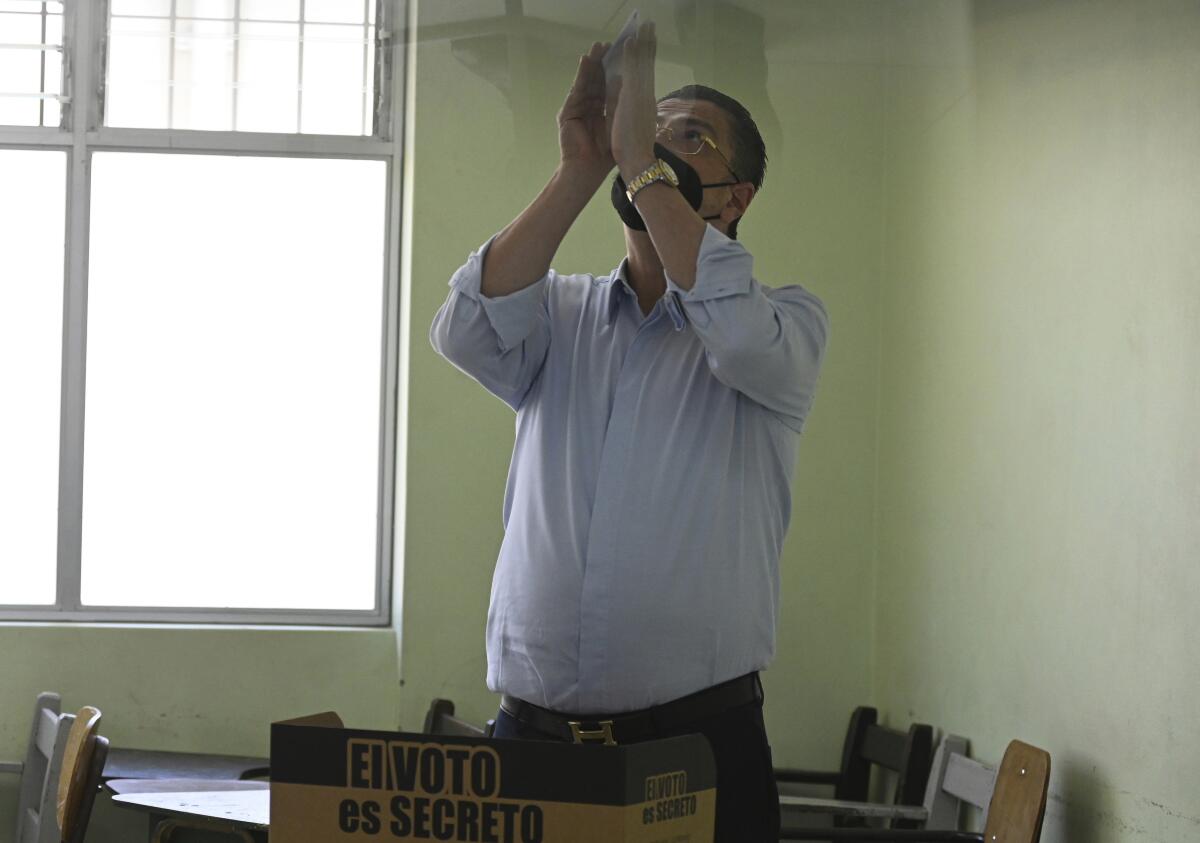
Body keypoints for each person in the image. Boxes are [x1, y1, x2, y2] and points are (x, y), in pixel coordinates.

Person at [430, 22, 827, 843]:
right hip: (530, 745)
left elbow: (735, 329)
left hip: (695, 753)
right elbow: (463, 330)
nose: (653, 137)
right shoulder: (563, 314)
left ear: (737, 194)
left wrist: (644, 160)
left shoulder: (785, 326)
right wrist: (584, 165)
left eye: (691, 136)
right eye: (647, 122)